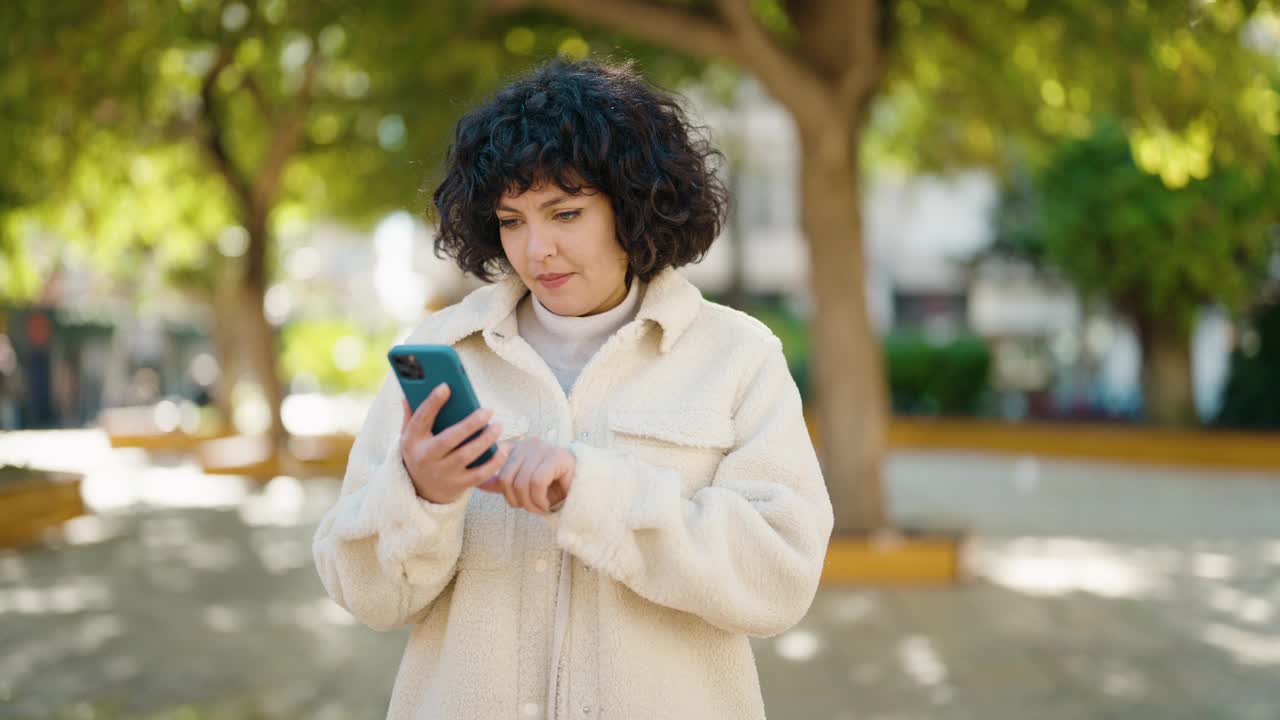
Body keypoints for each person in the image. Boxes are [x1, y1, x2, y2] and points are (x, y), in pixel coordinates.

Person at [312, 57, 833, 720]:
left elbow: (778, 577)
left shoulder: (738, 356)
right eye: (512, 220)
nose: (537, 250)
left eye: (565, 213)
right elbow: (367, 597)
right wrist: (421, 495)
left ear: (635, 204)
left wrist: (594, 490)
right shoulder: (440, 353)